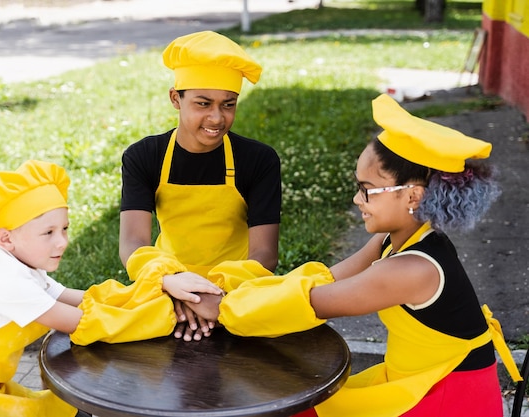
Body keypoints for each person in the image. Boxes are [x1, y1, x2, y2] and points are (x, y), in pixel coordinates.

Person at [186, 94, 522, 417]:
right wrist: (240, 293)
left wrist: (222, 308)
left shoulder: (410, 270)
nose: (356, 201)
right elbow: (326, 278)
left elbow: (314, 302)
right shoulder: (395, 241)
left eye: (366, 190)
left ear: (413, 196)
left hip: (446, 401)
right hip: (414, 382)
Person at [0, 160, 222, 417]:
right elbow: (84, 323)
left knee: (63, 409)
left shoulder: (25, 271)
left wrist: (158, 289)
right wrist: (166, 314)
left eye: (65, 229)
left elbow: (87, 300)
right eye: (49, 233)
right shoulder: (8, 284)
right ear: (5, 238)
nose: (63, 242)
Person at [119, 30, 282, 341]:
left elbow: (265, 253)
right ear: (175, 99)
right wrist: (174, 283)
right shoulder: (144, 156)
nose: (216, 118)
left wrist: (213, 296)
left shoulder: (258, 160)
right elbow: (132, 243)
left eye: (228, 104)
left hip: (236, 289)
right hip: (166, 283)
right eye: (203, 103)